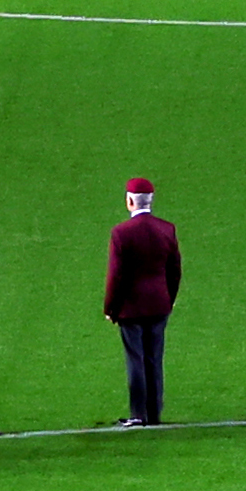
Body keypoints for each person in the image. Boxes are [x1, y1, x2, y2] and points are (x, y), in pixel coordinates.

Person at [101, 174, 183, 424]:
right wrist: (169, 297)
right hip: (159, 304)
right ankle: (154, 412)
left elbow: (116, 275)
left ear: (129, 201)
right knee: (154, 359)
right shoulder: (166, 229)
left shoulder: (121, 233)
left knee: (135, 360)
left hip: (131, 307)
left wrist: (110, 307)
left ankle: (139, 414)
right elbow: (175, 269)